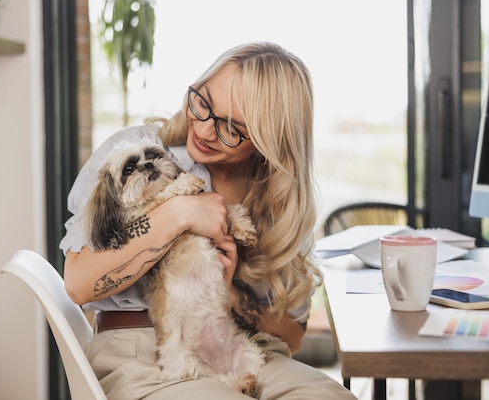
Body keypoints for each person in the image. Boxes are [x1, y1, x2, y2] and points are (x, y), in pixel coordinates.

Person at [60, 42, 356, 400]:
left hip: (248, 349)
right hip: (144, 351)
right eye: (202, 102)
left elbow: (292, 337)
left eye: (232, 128)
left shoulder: (280, 203)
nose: (204, 129)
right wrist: (178, 214)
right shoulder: (138, 150)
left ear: (270, 141)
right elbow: (77, 283)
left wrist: (233, 295)